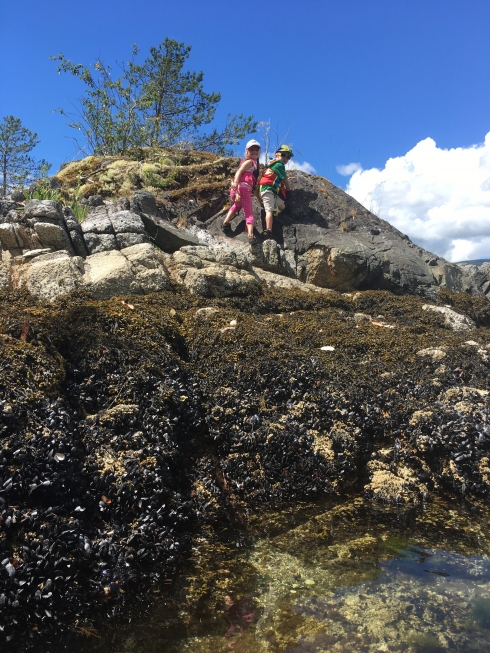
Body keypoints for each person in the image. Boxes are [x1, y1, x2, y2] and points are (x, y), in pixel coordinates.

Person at [221, 139, 261, 243]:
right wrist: (235, 184)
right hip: (243, 188)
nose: (254, 151)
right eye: (251, 149)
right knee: (248, 212)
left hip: (237, 189)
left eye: (256, 149)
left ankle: (225, 222)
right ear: (247, 152)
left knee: (236, 205)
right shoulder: (250, 162)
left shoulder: (252, 163)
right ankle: (251, 235)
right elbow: (239, 171)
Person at [258, 145, 293, 239]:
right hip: (267, 189)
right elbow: (284, 178)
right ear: (277, 155)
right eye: (284, 155)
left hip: (271, 191)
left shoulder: (274, 164)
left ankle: (274, 214)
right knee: (269, 210)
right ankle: (268, 230)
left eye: (288, 157)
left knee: (283, 207)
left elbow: (279, 177)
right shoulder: (279, 165)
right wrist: (288, 190)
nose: (286, 158)